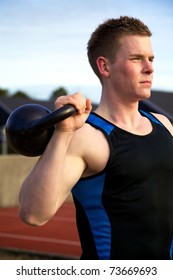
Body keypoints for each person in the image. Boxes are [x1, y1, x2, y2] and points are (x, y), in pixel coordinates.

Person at [19, 16, 173, 260]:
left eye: (151, 59)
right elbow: (33, 214)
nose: (150, 68)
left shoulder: (164, 125)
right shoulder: (86, 136)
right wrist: (64, 133)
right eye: (136, 59)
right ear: (105, 67)